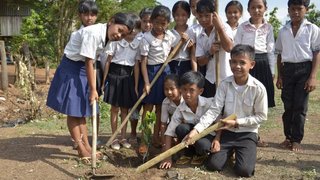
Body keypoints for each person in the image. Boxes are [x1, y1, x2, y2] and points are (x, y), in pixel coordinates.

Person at [46, 13, 134, 163]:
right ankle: (80, 148)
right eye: (119, 30)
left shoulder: (108, 37)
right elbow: (89, 61)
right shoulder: (93, 33)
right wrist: (93, 89)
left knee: (82, 111)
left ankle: (88, 147)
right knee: (73, 112)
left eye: (123, 34)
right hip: (71, 68)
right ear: (111, 21)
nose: (118, 35)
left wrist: (94, 87)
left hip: (82, 69)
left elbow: (93, 64)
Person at [186, 44, 268, 177]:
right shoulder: (224, 84)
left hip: (247, 133)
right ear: (230, 62)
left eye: (242, 62)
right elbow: (214, 110)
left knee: (244, 171)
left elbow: (261, 116)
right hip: (227, 132)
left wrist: (237, 123)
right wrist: (196, 130)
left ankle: (245, 151)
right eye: (234, 62)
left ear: (251, 64)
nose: (237, 66)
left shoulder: (258, 88)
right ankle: (228, 152)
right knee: (213, 165)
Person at [275, 0, 320, 152]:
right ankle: (288, 137)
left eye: (299, 9)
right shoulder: (283, 30)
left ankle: (297, 139)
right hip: (287, 70)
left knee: (300, 106)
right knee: (288, 106)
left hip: (304, 69)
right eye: (292, 9)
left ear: (306, 10)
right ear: (288, 10)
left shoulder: (312, 28)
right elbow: (279, 55)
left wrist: (312, 76)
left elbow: (316, 53)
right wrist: (280, 76)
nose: (295, 12)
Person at [159, 71, 216, 169]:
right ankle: (189, 153)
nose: (187, 94)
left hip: (208, 136)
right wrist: (167, 157)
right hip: (190, 136)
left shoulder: (209, 104)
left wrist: (217, 139)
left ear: (200, 91)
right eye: (184, 90)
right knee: (181, 129)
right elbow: (169, 132)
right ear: (180, 89)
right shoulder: (180, 109)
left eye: (191, 90)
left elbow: (219, 124)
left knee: (202, 145)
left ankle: (201, 154)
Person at [139, 5, 177, 148]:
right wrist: (147, 82)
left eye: (163, 23)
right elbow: (143, 61)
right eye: (156, 22)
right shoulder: (146, 38)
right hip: (151, 72)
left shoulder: (170, 36)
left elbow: (175, 49)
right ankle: (144, 139)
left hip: (165, 71)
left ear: (168, 23)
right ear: (152, 21)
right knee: (148, 107)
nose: (159, 26)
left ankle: (156, 137)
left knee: (161, 107)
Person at [102, 14, 141, 150]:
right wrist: (104, 81)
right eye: (133, 29)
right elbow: (108, 61)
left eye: (137, 29)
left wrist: (135, 85)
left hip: (127, 77)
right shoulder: (116, 41)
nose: (135, 31)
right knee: (114, 109)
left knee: (125, 109)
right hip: (113, 76)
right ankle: (114, 138)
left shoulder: (138, 43)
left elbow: (136, 65)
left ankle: (123, 137)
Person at [234, 0, 275, 108]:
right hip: (245, 62)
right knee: (246, 94)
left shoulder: (269, 27)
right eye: (253, 8)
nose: (256, 10)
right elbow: (237, 47)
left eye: (259, 7)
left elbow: (271, 51)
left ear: (265, 8)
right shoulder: (242, 27)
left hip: (263, 63)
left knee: (261, 95)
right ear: (248, 10)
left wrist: (272, 70)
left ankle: (257, 119)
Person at [195, 0, 233, 98]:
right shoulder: (200, 36)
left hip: (226, 77)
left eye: (207, 16)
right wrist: (210, 52)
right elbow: (200, 62)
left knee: (227, 111)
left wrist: (220, 29)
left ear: (214, 15)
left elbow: (229, 48)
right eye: (200, 16)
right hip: (210, 79)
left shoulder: (224, 28)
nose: (203, 19)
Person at [129, 7, 153, 143]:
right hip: (135, 76)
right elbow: (136, 61)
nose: (148, 24)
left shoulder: (156, 37)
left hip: (150, 75)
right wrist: (137, 82)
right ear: (140, 21)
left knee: (148, 107)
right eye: (145, 21)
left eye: (151, 22)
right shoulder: (136, 37)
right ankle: (132, 133)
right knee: (135, 106)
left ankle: (145, 133)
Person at [169, 1, 196, 76]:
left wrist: (191, 47)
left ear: (189, 15)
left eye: (184, 15)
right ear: (173, 15)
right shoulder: (169, 34)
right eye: (177, 15)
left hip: (188, 64)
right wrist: (181, 42)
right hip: (172, 65)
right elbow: (170, 55)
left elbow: (193, 55)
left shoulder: (193, 32)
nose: (180, 17)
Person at [159, 74, 183, 146]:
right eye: (166, 89)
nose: (169, 92)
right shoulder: (165, 102)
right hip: (173, 126)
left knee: (182, 128)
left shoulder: (186, 100)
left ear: (179, 89)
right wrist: (164, 143)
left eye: (172, 89)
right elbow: (163, 124)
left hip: (186, 128)